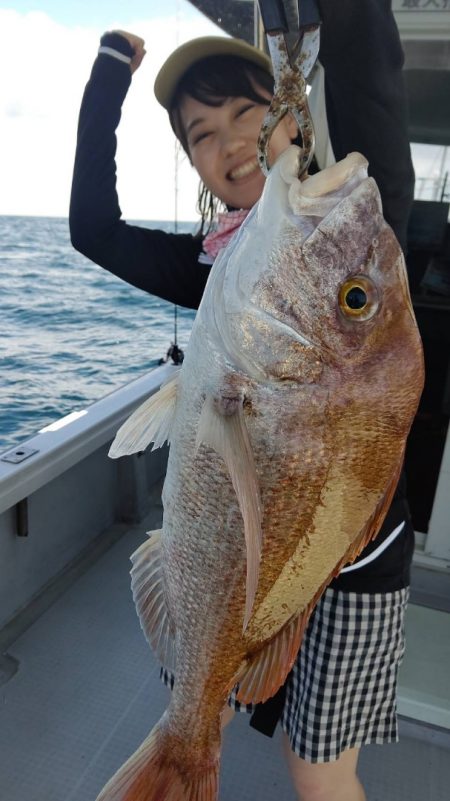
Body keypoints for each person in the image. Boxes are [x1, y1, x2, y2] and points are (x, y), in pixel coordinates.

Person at [70, 3, 415, 800]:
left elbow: (374, 95)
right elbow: (93, 228)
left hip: (357, 563)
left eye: (243, 113)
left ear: (286, 118)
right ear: (192, 162)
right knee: (202, 707)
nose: (226, 142)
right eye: (200, 132)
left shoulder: (347, 238)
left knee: (319, 771)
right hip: (236, 564)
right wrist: (110, 71)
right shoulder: (215, 267)